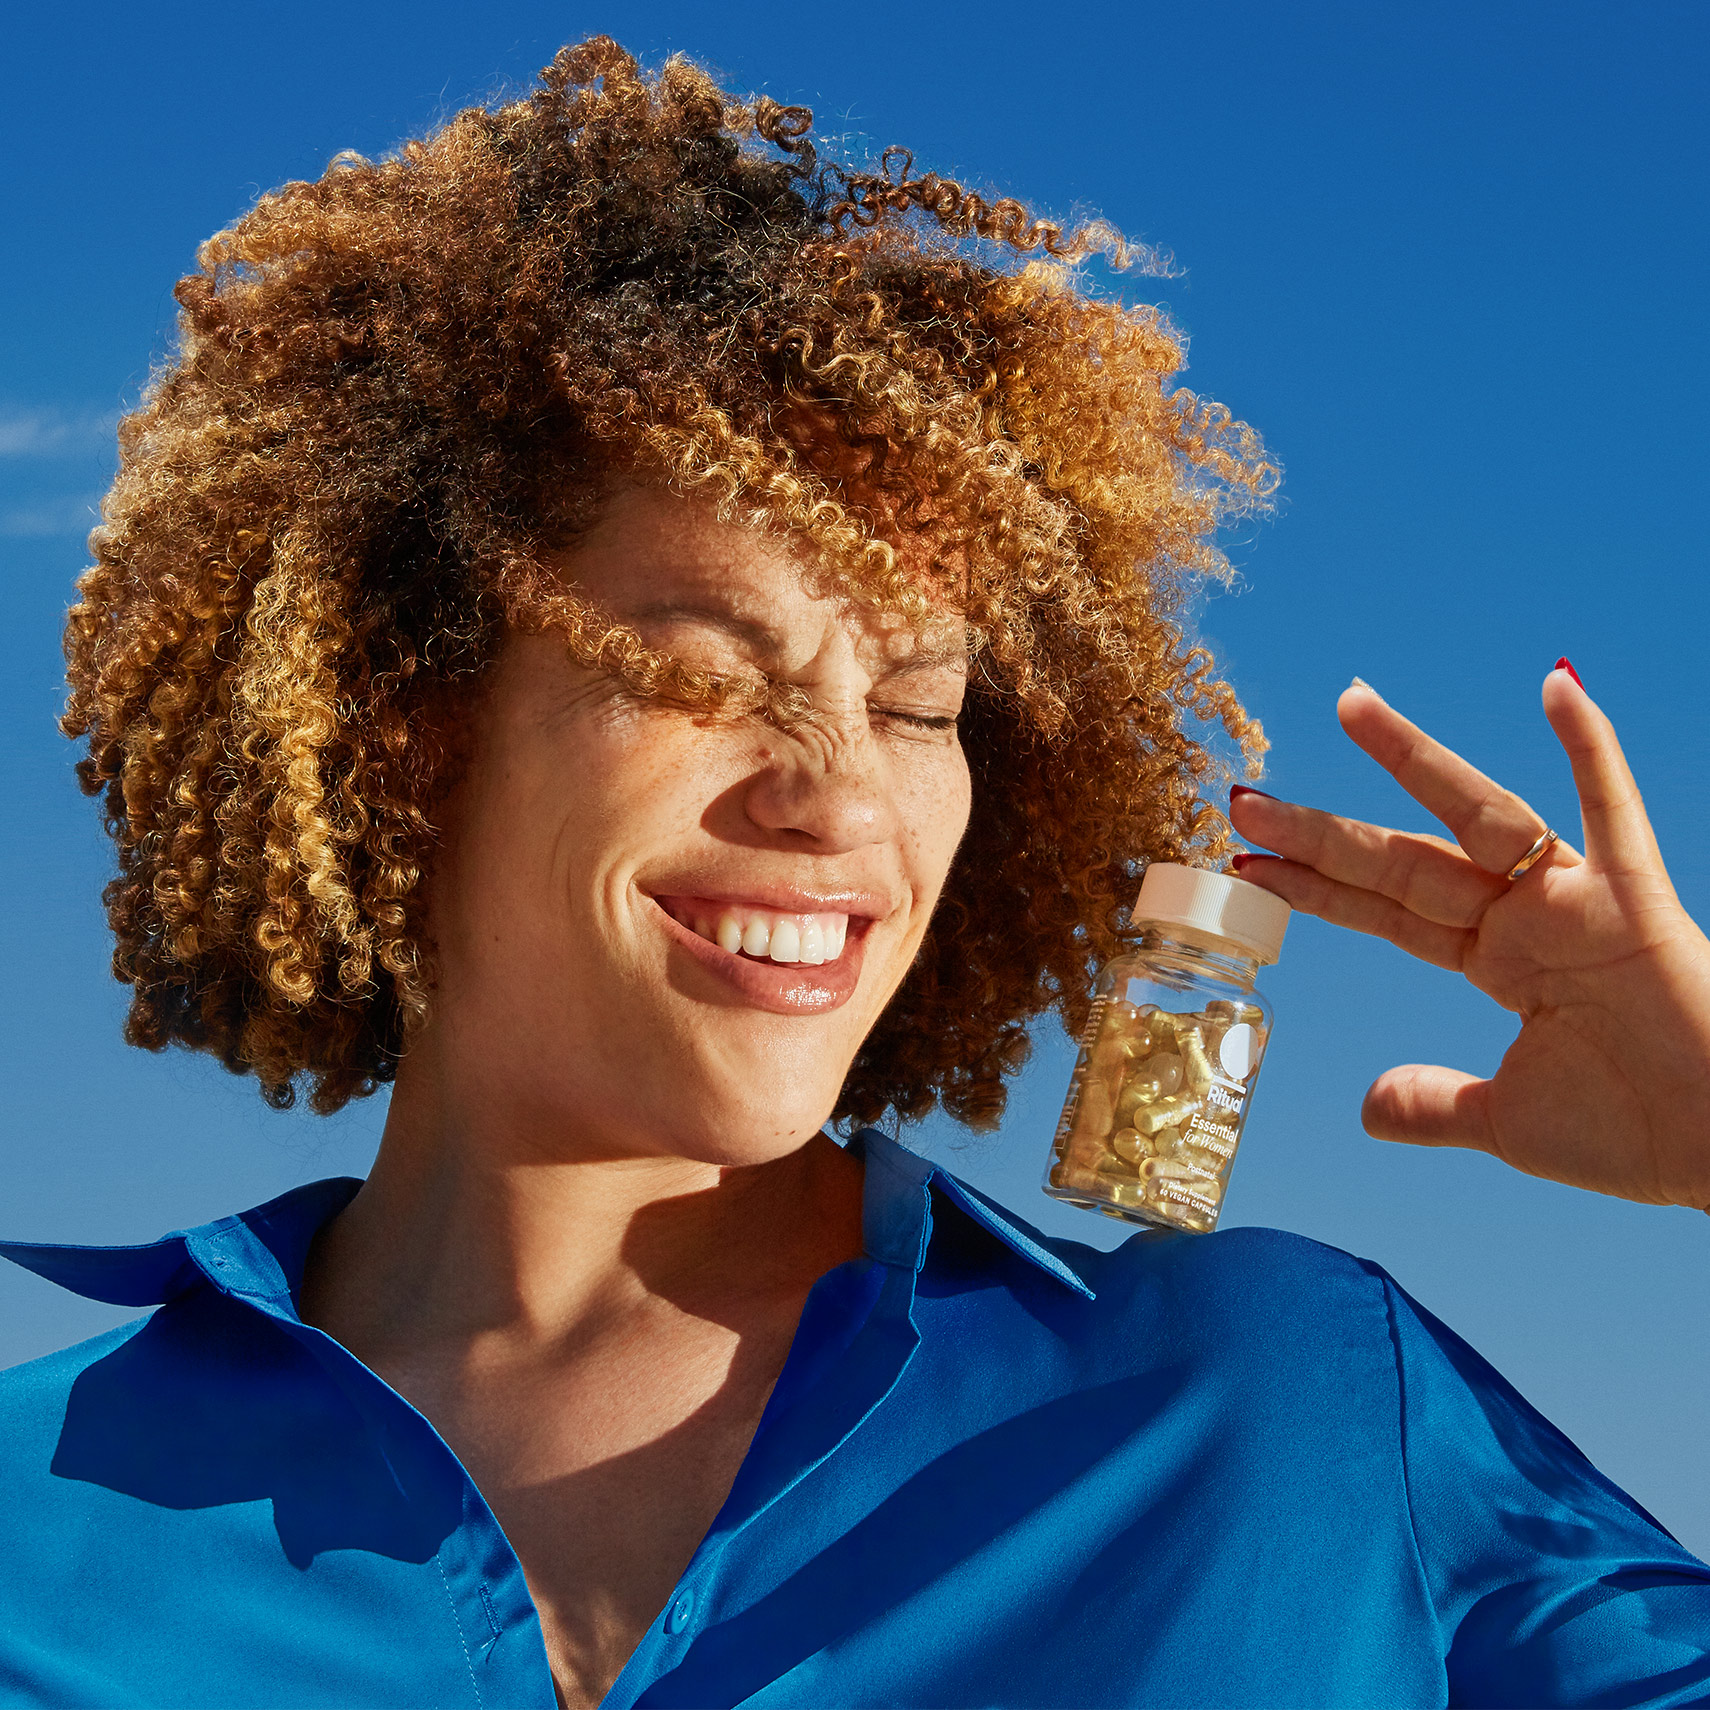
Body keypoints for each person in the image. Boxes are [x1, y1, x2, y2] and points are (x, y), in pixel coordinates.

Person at [2, 36, 1707, 1710]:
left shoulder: (1287, 1406)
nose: (838, 800)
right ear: (408, 722)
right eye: (701, 673)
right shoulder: (33, 1532)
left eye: (913, 704)